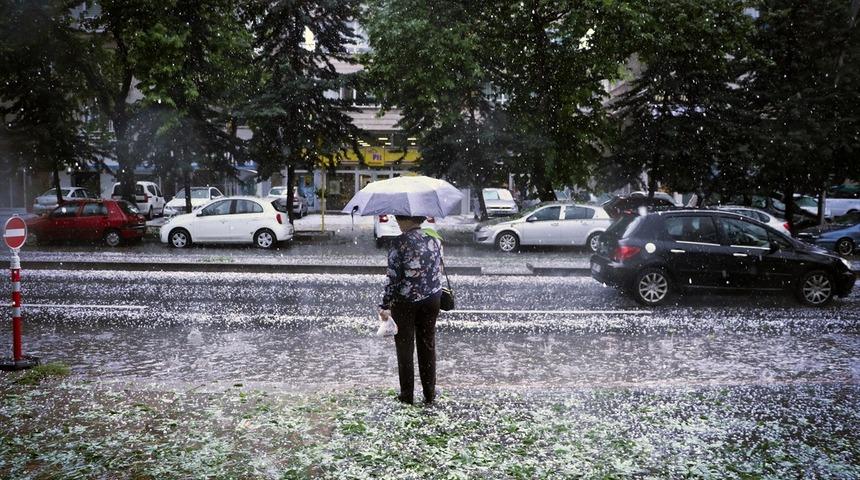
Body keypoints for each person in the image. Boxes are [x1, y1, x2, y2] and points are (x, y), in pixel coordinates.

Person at [378, 215, 443, 405]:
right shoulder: (434, 238)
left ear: (407, 220)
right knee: (427, 345)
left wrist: (385, 304)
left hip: (406, 301)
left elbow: (393, 277)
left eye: (399, 217)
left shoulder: (399, 242)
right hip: (432, 299)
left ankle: (407, 396)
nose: (397, 221)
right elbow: (436, 268)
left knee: (405, 348)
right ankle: (429, 394)